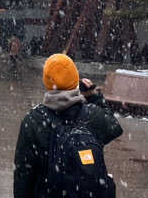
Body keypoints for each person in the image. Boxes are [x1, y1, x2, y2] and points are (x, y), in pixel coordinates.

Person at [14, 53, 122, 198]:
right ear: (75, 80)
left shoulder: (34, 120)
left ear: (47, 82)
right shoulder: (91, 114)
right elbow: (113, 127)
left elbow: (23, 174)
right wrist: (94, 97)